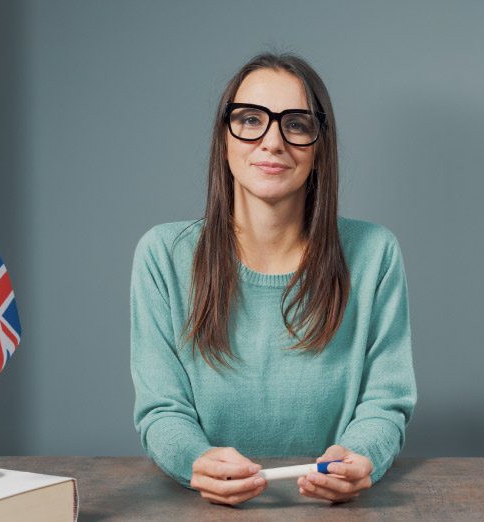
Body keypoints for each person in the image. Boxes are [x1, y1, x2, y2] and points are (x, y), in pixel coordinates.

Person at [130, 52, 416, 505]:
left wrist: (361, 455)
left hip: (332, 510)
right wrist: (195, 461)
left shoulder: (375, 253)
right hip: (205, 509)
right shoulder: (162, 255)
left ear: (320, 149)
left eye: (296, 124)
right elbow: (162, 408)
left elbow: (386, 401)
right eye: (250, 120)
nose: (272, 142)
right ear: (223, 140)